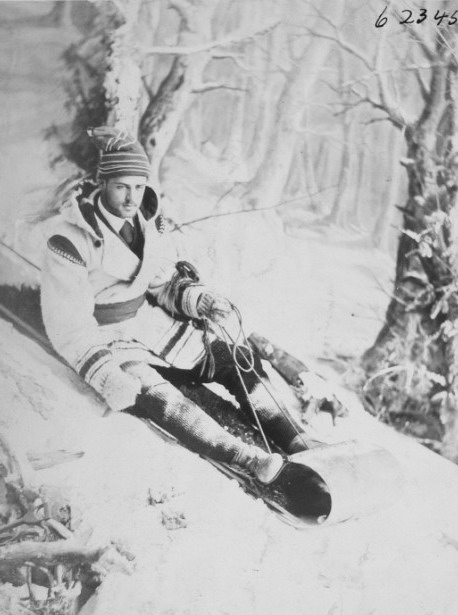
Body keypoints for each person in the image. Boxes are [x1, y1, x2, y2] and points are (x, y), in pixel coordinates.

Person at [41, 127, 313, 485]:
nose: (132, 198)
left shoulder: (145, 223)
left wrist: (199, 300)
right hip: (108, 338)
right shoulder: (70, 240)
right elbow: (68, 326)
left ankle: (297, 440)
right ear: (102, 182)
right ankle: (248, 459)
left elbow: (162, 281)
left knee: (234, 358)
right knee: (162, 399)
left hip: (151, 323)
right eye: (122, 186)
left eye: (139, 186)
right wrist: (106, 375)